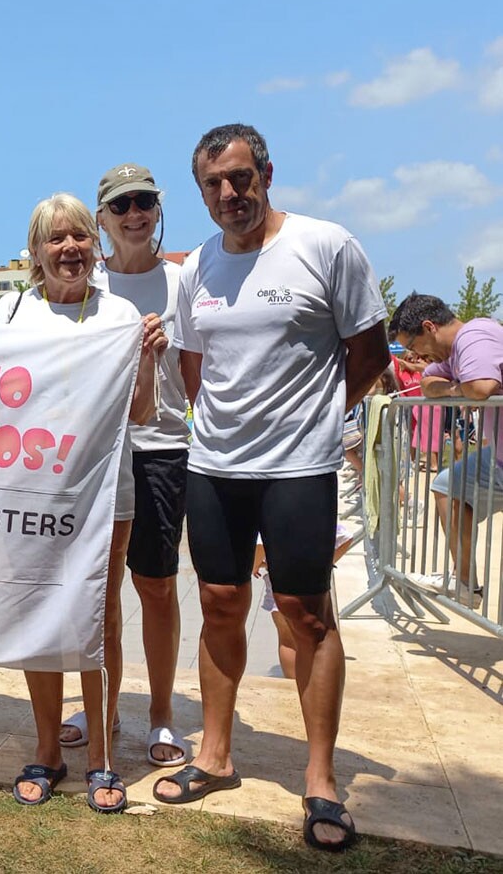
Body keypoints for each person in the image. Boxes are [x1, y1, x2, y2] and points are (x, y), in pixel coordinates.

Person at [160, 124, 388, 853]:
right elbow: (195, 367)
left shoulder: (326, 246)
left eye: (238, 178)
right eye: (213, 185)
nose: (228, 194)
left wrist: (315, 420)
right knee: (219, 603)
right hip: (215, 467)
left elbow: (370, 354)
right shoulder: (198, 266)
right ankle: (214, 754)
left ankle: (319, 781)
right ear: (200, 193)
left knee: (305, 615)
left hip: (299, 467)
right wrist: (224, 426)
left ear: (264, 173)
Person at [0, 193, 166, 813]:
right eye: (55, 239)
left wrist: (146, 361)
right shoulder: (11, 319)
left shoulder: (121, 314)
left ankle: (100, 754)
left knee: (100, 617)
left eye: (79, 238)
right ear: (35, 252)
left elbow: (141, 413)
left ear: (95, 244)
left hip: (105, 495)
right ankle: (47, 749)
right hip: (29, 495)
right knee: (38, 615)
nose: (69, 249)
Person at [55, 164, 190, 769]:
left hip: (161, 450)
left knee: (156, 588)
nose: (134, 213)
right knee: (97, 594)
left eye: (145, 202)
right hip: (95, 458)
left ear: (157, 210)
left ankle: (160, 714)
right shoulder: (86, 282)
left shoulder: (182, 281)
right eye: (121, 205)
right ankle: (101, 706)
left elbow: (198, 376)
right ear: (102, 218)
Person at [388, 293, 501, 608]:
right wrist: (456, 388)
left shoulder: (475, 335)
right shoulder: (455, 353)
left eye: (413, 345)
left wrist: (461, 388)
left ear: (428, 327)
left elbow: (481, 388)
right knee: (445, 485)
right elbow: (428, 383)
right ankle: (465, 584)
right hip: (498, 458)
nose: (415, 354)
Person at [253, 524, 357, 680]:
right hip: (311, 585)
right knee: (317, 639)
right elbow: (346, 538)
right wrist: (325, 565)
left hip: (279, 586)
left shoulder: (269, 509)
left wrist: (254, 566)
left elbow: (260, 544)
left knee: (287, 640)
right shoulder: (312, 510)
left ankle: (293, 685)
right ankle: (318, 685)